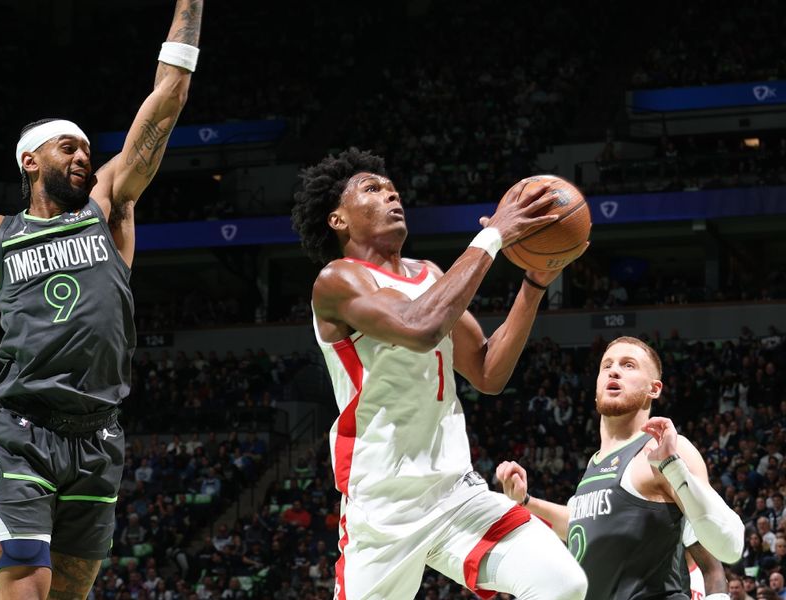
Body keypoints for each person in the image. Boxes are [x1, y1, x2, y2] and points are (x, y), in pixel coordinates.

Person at [291, 147, 589, 599]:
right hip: (384, 503)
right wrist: (493, 239)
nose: (392, 196)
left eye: (393, 189)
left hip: (455, 491)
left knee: (562, 582)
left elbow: (488, 372)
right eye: (372, 189)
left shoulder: (430, 274)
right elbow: (418, 327)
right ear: (338, 220)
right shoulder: (337, 280)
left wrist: (533, 284)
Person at [0, 1, 202, 598]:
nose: (83, 155)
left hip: (99, 436)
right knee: (26, 583)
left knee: (72, 592)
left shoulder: (106, 209)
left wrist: (190, 5)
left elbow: (169, 98)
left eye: (86, 148)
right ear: (31, 161)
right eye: (67, 148)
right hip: (21, 432)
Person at [497, 336, 744, 600]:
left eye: (629, 365)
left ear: (654, 389)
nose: (614, 370)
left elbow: (729, 546)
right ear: (595, 389)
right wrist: (525, 501)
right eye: (607, 365)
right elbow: (579, 523)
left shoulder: (664, 448)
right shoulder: (594, 463)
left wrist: (673, 466)